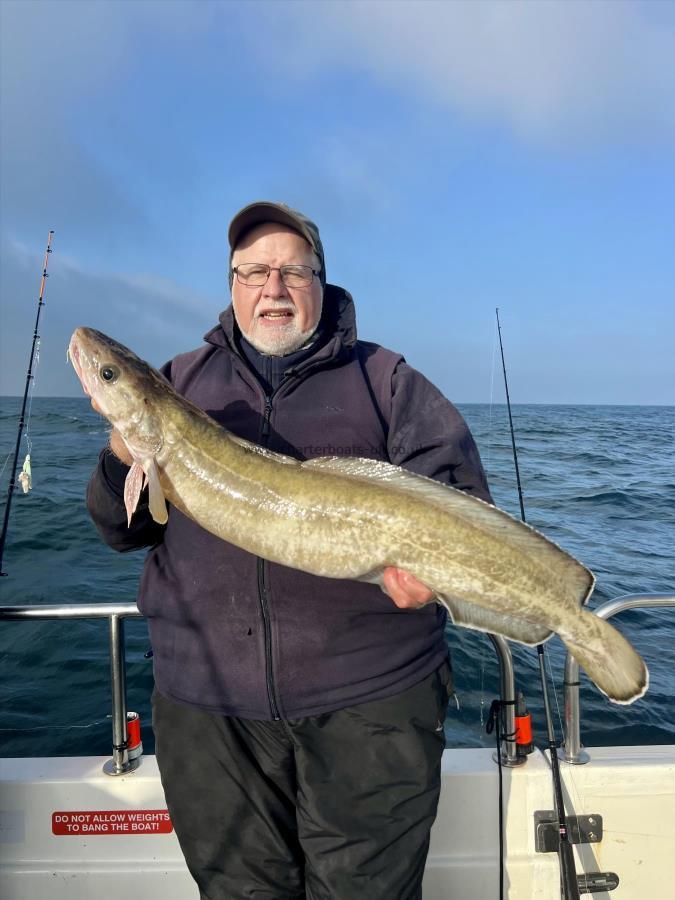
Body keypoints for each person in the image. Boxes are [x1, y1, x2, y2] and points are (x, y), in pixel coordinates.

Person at [86, 201, 492, 900]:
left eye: (291, 272)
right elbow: (121, 531)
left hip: (371, 703)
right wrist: (126, 450)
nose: (272, 288)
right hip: (208, 707)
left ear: (321, 283)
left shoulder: (388, 383)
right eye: (252, 272)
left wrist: (436, 574)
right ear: (232, 285)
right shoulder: (178, 380)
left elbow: (461, 506)